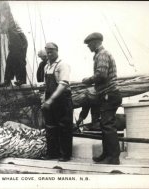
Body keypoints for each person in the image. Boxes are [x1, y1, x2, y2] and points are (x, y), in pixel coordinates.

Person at [82, 32, 122, 165]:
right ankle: (107, 153)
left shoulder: (102, 54)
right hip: (107, 94)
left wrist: (88, 80)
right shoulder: (99, 55)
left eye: (89, 44)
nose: (88, 47)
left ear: (95, 42)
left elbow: (102, 75)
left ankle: (114, 157)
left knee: (107, 125)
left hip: (109, 95)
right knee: (105, 125)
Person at [41, 42, 73, 162]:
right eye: (47, 52)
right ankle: (52, 153)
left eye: (51, 51)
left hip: (62, 99)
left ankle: (66, 155)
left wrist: (51, 100)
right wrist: (45, 99)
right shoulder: (46, 66)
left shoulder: (62, 65)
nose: (49, 54)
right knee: (50, 126)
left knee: (64, 126)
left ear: (57, 51)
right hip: (50, 98)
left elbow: (63, 84)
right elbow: (46, 86)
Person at [0, 19, 28, 87]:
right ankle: (8, 80)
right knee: (10, 60)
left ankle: (21, 80)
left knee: (19, 59)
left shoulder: (9, 18)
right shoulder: (6, 19)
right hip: (15, 39)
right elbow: (3, 30)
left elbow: (4, 29)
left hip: (19, 38)